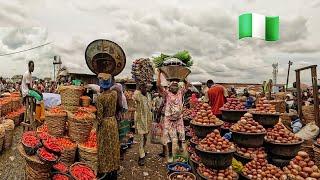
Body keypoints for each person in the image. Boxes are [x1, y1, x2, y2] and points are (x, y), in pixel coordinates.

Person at [157, 70, 189, 163]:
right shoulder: (166, 93)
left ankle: (179, 145)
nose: (175, 87)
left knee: (180, 134)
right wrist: (159, 73)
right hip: (169, 119)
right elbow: (158, 86)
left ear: (178, 87)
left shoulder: (180, 92)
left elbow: (187, 84)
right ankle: (170, 153)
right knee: (169, 137)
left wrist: (184, 74)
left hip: (178, 118)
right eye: (173, 86)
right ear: (169, 87)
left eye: (176, 85)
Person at [96, 73, 122, 180]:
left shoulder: (100, 98)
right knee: (114, 147)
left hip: (104, 124)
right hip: (113, 122)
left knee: (104, 148)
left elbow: (100, 116)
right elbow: (119, 106)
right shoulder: (115, 94)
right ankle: (114, 170)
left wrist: (96, 127)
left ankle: (105, 172)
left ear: (101, 85)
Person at [133, 84, 152, 166]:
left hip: (147, 119)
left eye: (146, 87)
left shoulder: (148, 95)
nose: (146, 89)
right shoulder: (137, 94)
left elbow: (150, 106)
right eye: (144, 87)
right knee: (140, 138)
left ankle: (143, 151)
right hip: (140, 120)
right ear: (140, 87)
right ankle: (141, 157)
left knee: (145, 137)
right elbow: (133, 98)